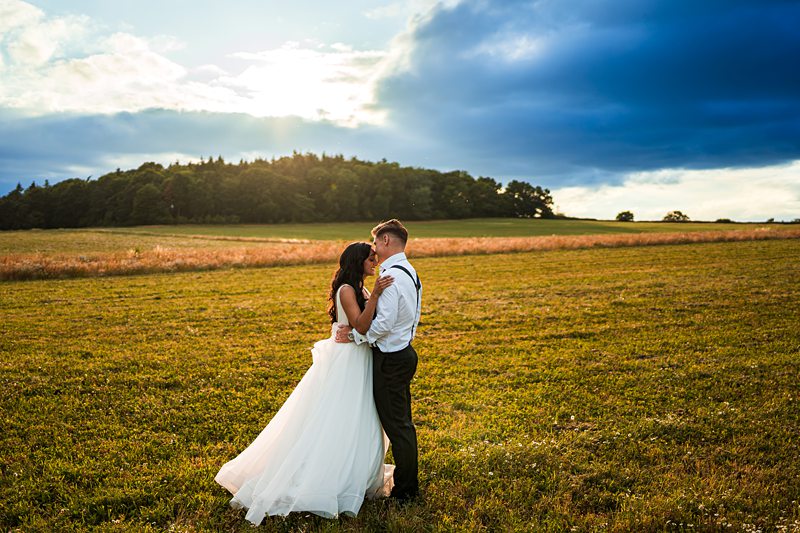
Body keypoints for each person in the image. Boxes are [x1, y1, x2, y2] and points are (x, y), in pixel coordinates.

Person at [214, 242, 395, 523]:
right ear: (357, 261)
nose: (375, 262)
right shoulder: (347, 290)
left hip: (360, 356)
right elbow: (360, 324)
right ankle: (324, 476)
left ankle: (355, 473)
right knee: (338, 415)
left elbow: (364, 327)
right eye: (371, 259)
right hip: (348, 360)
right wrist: (377, 296)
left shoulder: (361, 289)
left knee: (359, 416)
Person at [335, 219, 422, 502]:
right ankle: (406, 484)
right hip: (404, 352)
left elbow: (383, 324)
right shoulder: (410, 272)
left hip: (391, 359)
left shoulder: (391, 275)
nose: (373, 250)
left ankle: (406, 491)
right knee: (401, 423)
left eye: (375, 242)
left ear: (385, 240)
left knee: (398, 426)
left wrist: (356, 337)